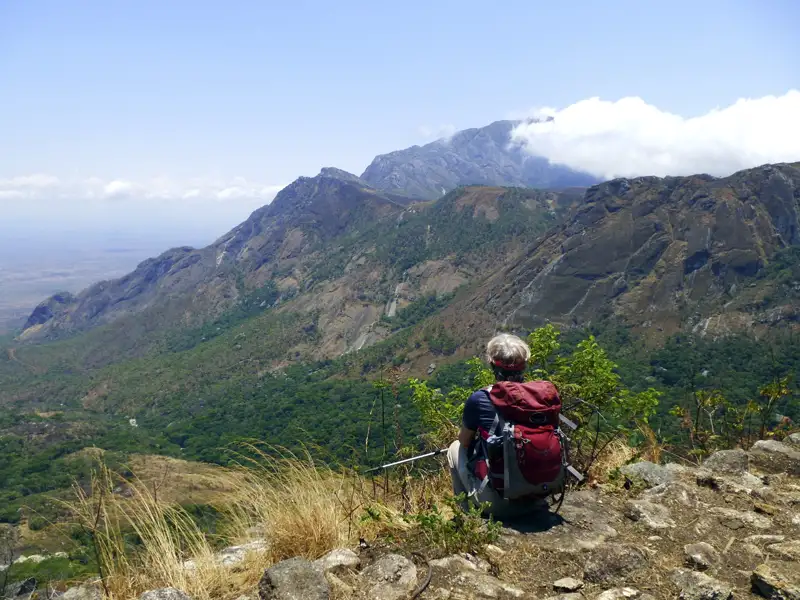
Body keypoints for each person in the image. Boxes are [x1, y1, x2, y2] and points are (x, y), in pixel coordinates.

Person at [447, 333, 547, 519]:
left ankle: (466, 516)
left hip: (500, 506)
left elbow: (465, 441)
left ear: (492, 364)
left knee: (454, 448)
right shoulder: (542, 397)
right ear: (524, 365)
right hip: (540, 497)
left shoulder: (480, 399)